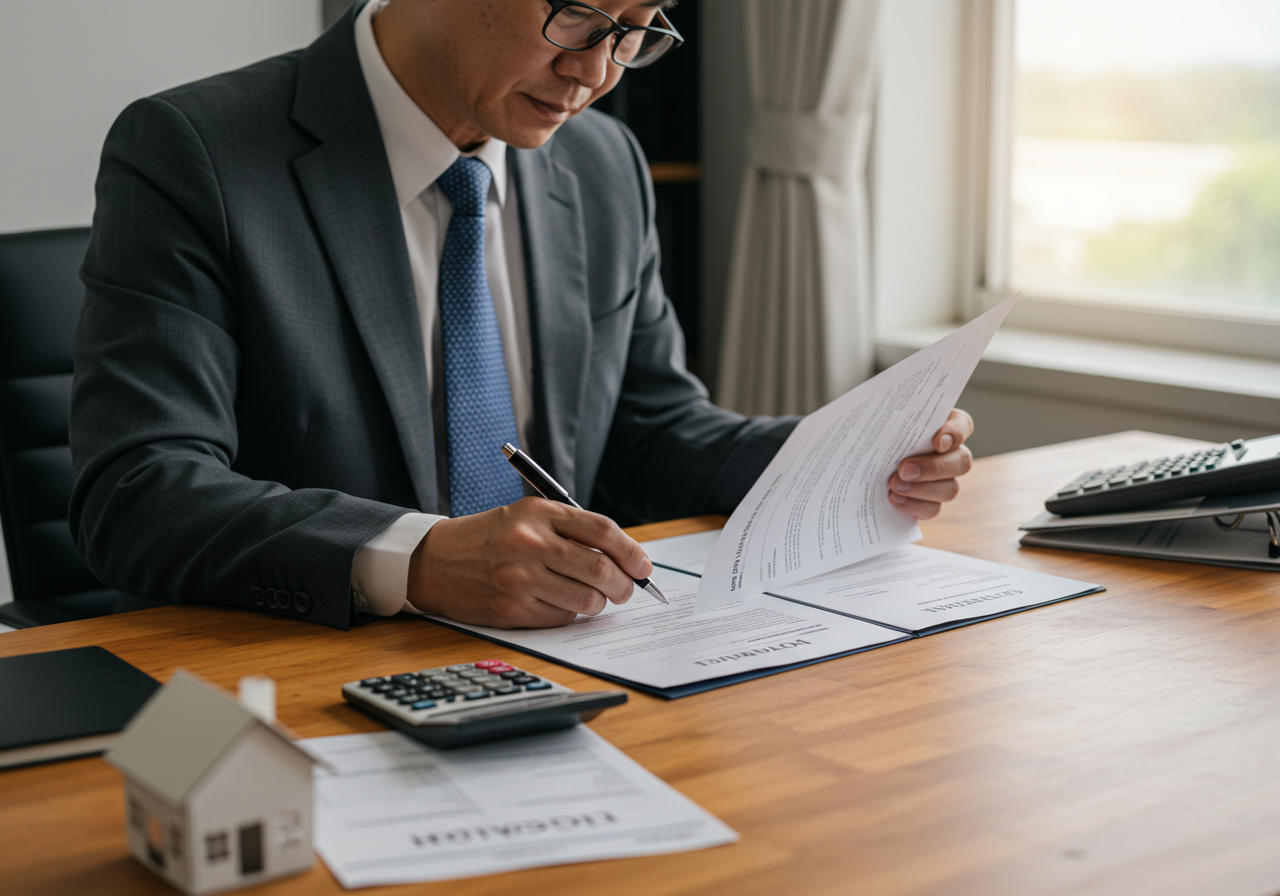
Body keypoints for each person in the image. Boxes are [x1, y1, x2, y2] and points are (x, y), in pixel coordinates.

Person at [69, 0, 975, 632]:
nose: (596, 72)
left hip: (563, 665)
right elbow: (138, 493)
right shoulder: (195, 152)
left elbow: (648, 431)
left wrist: (846, 457)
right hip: (295, 678)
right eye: (576, 16)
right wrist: (418, 560)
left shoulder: (603, 165)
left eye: (635, 32)